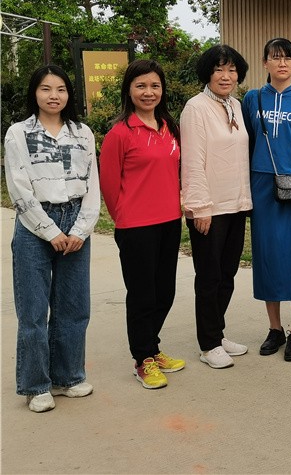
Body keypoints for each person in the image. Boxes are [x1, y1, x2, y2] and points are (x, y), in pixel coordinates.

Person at [4, 66, 100, 413]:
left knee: (74, 307)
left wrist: (80, 229)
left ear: (69, 94)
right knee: (33, 310)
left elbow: (92, 186)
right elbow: (18, 188)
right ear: (35, 93)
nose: (53, 96)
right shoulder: (18, 133)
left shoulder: (82, 133)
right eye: (45, 89)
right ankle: (36, 385)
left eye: (60, 89)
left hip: (75, 220)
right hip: (34, 224)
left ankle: (68, 377)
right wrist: (50, 231)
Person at [99, 59, 185, 390]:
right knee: (142, 295)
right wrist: (124, 217)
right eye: (141, 86)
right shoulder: (120, 133)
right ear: (129, 90)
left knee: (165, 291)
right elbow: (109, 185)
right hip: (136, 227)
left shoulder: (169, 128)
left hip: (169, 221)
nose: (148, 92)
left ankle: (152, 346)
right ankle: (142, 359)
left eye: (154, 86)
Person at [242, 38, 291, 362]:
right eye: (275, 58)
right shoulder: (253, 98)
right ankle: (274, 328)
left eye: (288, 57)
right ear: (265, 63)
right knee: (267, 257)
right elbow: (245, 145)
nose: (282, 63)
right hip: (262, 187)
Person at [180, 45, 253, 369]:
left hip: (235, 204)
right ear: (207, 73)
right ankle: (208, 344)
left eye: (232, 70)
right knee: (209, 277)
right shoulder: (195, 108)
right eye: (219, 69)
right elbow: (192, 161)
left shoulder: (235, 105)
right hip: (210, 208)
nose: (226, 76)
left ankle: (218, 334)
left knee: (227, 274)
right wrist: (199, 207)